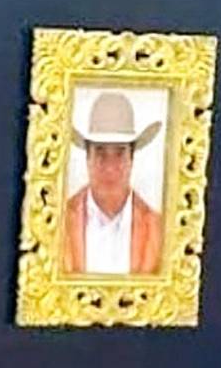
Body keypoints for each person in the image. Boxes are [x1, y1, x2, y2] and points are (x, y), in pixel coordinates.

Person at [60, 89, 163, 276]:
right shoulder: (58, 222)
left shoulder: (157, 228)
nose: (110, 167)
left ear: (131, 159)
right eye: (100, 152)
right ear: (87, 158)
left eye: (119, 153)